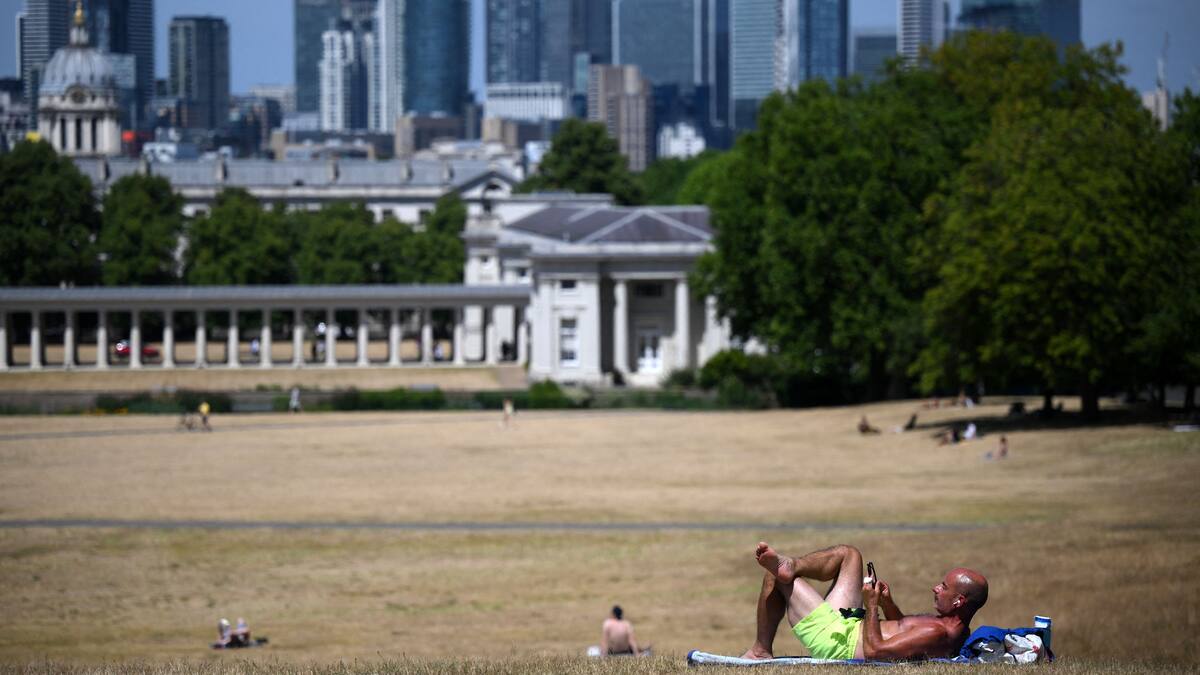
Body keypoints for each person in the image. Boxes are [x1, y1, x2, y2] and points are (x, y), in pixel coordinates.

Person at [741, 542, 987, 662]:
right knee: (849, 554)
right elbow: (900, 628)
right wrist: (887, 603)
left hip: (838, 642)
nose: (936, 588)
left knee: (774, 577)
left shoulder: (937, 633)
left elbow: (875, 652)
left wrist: (871, 606)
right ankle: (793, 565)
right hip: (850, 625)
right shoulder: (949, 628)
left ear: (958, 601)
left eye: (944, 587)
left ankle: (760, 651)